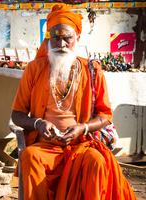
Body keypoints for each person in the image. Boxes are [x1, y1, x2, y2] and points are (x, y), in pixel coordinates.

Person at [11, 4, 136, 200]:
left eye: (67, 38)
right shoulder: (34, 69)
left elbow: (105, 116)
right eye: (56, 38)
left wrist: (83, 128)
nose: (61, 44)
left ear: (77, 38)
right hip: (45, 146)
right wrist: (39, 123)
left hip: (82, 144)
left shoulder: (92, 70)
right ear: (49, 40)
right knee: (29, 157)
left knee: (96, 161)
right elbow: (17, 114)